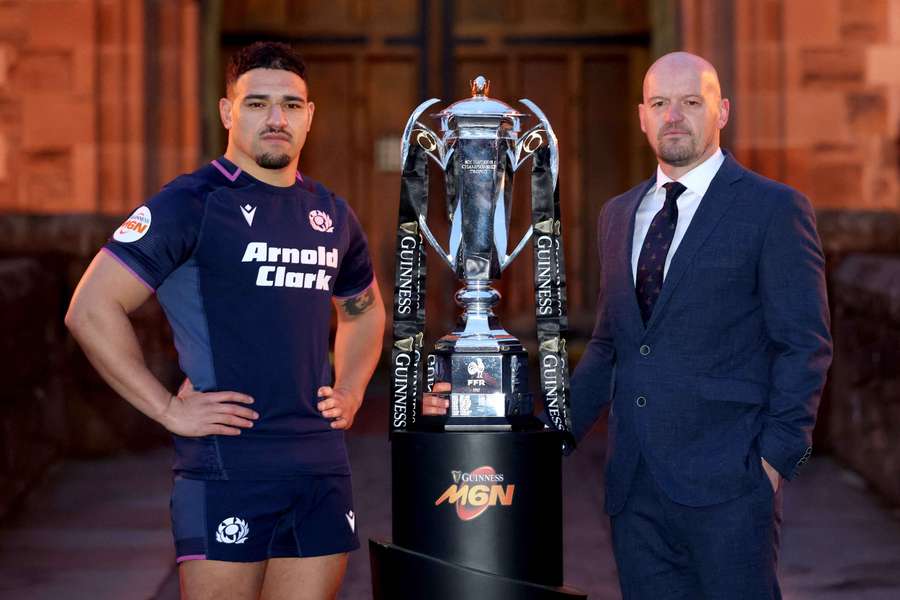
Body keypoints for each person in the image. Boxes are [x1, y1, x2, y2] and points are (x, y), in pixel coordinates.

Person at [65, 42, 385, 600]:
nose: (276, 118)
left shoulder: (332, 213)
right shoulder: (192, 203)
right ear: (227, 112)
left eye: (291, 105)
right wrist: (166, 408)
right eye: (257, 103)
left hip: (319, 461)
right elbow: (90, 309)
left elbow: (363, 308)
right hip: (226, 460)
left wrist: (353, 388)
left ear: (310, 116)